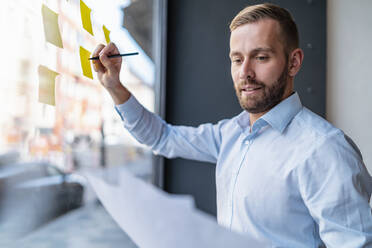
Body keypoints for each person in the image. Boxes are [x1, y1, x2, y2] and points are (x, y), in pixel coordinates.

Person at [92, 3, 372, 247]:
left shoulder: (325, 150)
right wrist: (115, 87)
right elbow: (162, 137)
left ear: (293, 62)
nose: (245, 73)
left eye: (261, 57)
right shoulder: (231, 135)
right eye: (237, 59)